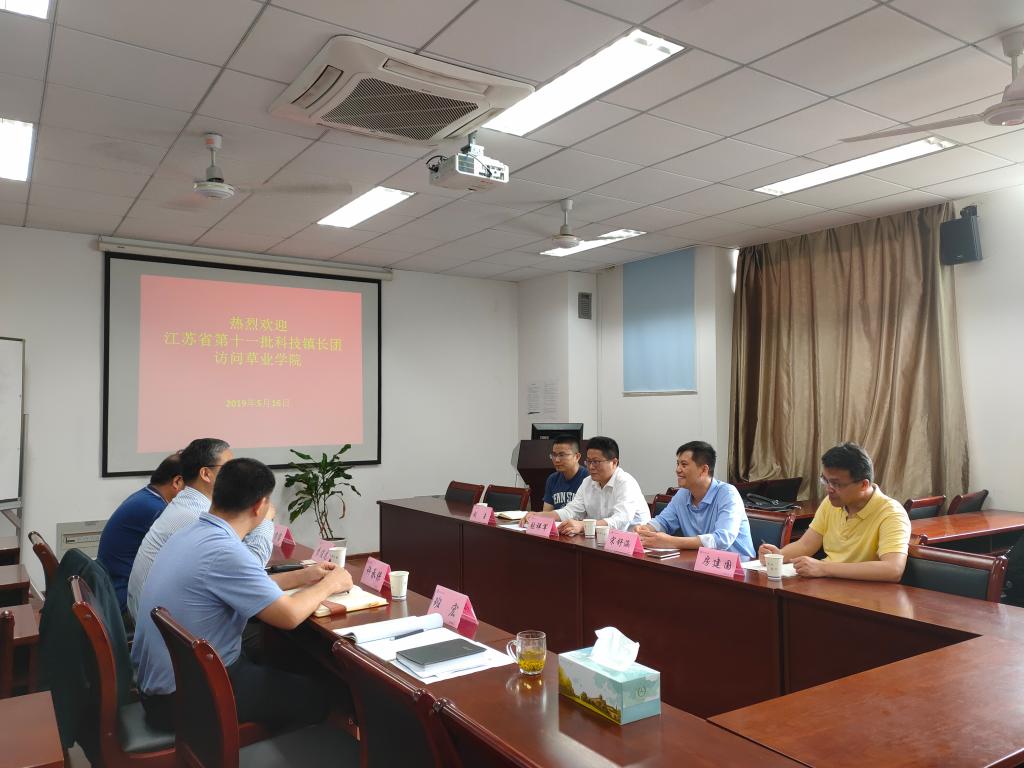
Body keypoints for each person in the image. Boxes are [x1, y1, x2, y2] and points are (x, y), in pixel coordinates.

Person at [132, 457, 352, 731]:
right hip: (191, 696)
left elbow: (243, 582)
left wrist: (303, 576)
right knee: (323, 693)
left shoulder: (192, 533)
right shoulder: (226, 550)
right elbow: (289, 616)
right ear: (260, 506)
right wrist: (330, 584)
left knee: (283, 661)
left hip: (165, 685)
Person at [127, 437, 274, 620]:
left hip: (160, 617)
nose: (235, 474)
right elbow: (250, 570)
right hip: (167, 625)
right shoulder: (197, 517)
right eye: (227, 468)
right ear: (205, 474)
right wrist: (264, 520)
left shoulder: (185, 504)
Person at [758, 442, 910, 582]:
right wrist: (778, 556)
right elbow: (805, 545)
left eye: (836, 484)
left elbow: (893, 569)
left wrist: (823, 568)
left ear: (864, 485)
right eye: (826, 480)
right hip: (827, 584)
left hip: (863, 592)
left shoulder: (891, 513)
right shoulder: (832, 503)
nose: (829, 489)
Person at [97, 452, 184, 620]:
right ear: (177, 482)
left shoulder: (146, 497)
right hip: (124, 601)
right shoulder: (156, 510)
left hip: (112, 589)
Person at [636, 441, 755, 558]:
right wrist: (644, 529)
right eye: (678, 464)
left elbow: (722, 539)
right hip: (700, 563)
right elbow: (663, 522)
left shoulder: (727, 494)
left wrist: (671, 541)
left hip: (740, 566)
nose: (677, 470)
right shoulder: (682, 494)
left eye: (684, 465)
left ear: (704, 470)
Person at [547, 436, 650, 533]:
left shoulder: (626, 482)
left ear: (614, 462)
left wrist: (583, 525)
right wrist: (540, 516)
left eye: (596, 462)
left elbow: (620, 521)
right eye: (588, 461)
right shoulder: (587, 482)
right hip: (600, 539)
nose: (591, 467)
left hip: (632, 541)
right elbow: (572, 511)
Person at [541, 435, 588, 512]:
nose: (557, 460)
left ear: (577, 457)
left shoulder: (588, 478)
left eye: (562, 455)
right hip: (557, 519)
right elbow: (547, 513)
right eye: (554, 455)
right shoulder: (552, 479)